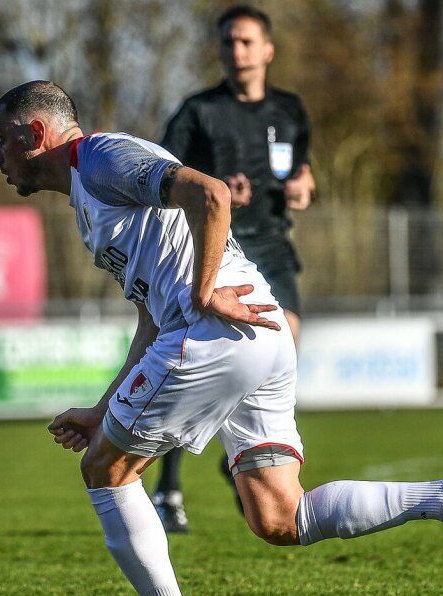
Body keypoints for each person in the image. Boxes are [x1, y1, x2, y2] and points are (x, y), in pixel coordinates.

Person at [0, 80, 443, 596]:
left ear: (35, 133)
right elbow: (150, 319)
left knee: (104, 470)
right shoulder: (89, 196)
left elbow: (210, 194)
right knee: (278, 515)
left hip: (215, 332)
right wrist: (104, 409)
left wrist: (205, 291)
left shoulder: (103, 158)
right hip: (260, 331)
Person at [152, 5, 317, 532]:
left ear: (267, 50)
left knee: (284, 337)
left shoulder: (289, 109)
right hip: (213, 249)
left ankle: (247, 459)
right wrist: (217, 188)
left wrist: (304, 187)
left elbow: (304, 168)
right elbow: (162, 175)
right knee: (194, 357)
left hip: (270, 244)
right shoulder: (198, 111)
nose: (236, 51)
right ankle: (169, 488)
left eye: (246, 42)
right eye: (228, 43)